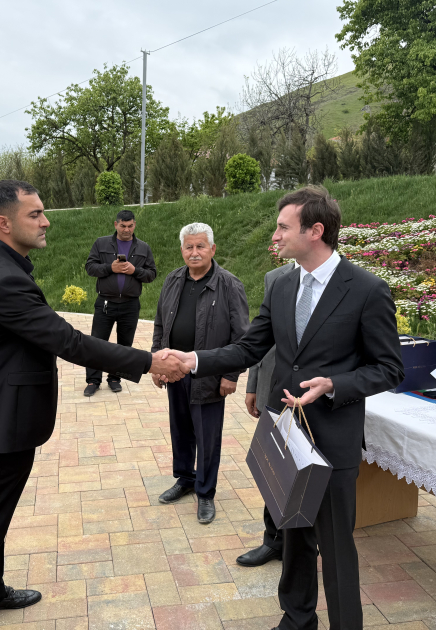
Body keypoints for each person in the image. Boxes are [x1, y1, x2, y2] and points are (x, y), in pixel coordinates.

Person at [164, 186, 404, 630]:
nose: (275, 235)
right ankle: (296, 620)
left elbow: (389, 369)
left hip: (332, 439)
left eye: (282, 227)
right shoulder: (281, 284)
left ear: (316, 231)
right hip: (287, 433)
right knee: (293, 536)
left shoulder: (367, 289)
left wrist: (335, 384)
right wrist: (193, 360)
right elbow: (249, 346)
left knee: (335, 547)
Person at [0, 179, 188, 630]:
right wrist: (148, 362)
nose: (46, 221)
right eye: (34, 214)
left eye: (43, 212)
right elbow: (69, 342)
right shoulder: (2, 278)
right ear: (4, 223)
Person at [151, 222, 250, 524]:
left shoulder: (229, 285)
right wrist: (156, 360)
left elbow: (242, 336)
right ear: (182, 250)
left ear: (212, 249)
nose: (194, 252)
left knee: (207, 437)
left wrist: (231, 375)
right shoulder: (173, 280)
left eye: (200, 246)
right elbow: (160, 323)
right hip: (175, 371)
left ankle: (205, 492)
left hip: (209, 375)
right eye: (189, 247)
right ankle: (185, 479)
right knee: (180, 430)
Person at [237, 260, 295, 567]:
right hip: (274, 388)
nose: (276, 238)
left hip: (314, 397)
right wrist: (253, 385)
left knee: (306, 472)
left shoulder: (346, 278)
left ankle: (302, 544)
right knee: (275, 468)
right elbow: (261, 337)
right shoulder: (276, 277)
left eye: (283, 234)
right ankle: (273, 541)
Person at [84, 209, 157, 395]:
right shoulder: (101, 243)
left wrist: (135, 271)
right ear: (116, 224)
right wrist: (111, 268)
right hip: (105, 303)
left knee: (124, 346)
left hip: (130, 305)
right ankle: (93, 381)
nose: (126, 229)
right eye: (123, 226)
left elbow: (151, 274)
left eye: (130, 226)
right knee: (96, 344)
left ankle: (115, 378)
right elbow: (90, 267)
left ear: (135, 225)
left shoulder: (143, 248)